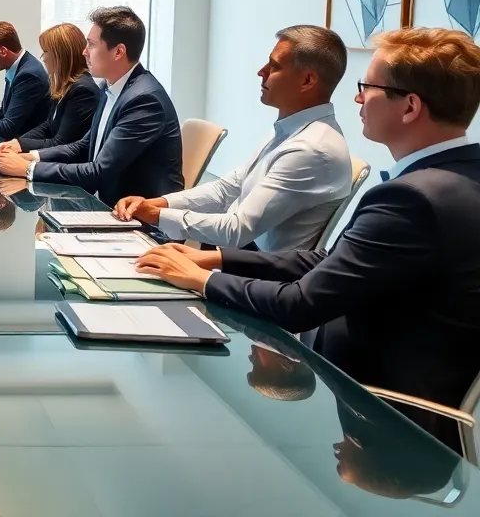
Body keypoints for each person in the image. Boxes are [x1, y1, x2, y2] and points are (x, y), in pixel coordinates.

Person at [136, 27, 480, 454]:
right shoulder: (455, 177)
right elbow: (328, 260)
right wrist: (217, 261)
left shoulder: (413, 198)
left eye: (367, 87)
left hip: (376, 414)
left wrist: (199, 280)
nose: (356, 99)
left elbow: (301, 304)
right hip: (357, 393)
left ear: (410, 106)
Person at [114, 26, 353, 251]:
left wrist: (156, 215)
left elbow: (237, 230)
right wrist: (156, 204)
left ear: (307, 81)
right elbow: (227, 189)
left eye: (274, 66)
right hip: (240, 259)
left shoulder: (310, 149)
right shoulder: (291, 129)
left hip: (256, 277)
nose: (262, 72)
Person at [0, 6, 183, 206]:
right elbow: (84, 145)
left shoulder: (143, 100)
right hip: (108, 206)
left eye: (91, 45)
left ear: (118, 52)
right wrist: (30, 157)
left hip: (140, 222)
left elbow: (99, 172)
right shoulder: (111, 89)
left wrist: (27, 169)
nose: (84, 52)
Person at [0, 23, 97, 156]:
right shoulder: (65, 85)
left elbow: (61, 142)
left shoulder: (83, 90)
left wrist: (21, 146)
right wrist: (16, 143)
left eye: (46, 52)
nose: (43, 58)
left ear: (61, 55)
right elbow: (48, 126)